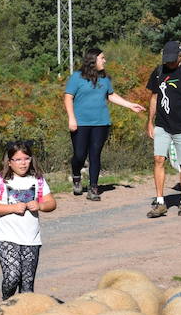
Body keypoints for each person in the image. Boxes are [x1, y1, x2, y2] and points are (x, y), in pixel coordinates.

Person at [62, 47, 146, 201]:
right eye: (102, 58)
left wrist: (130, 105)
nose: (105, 60)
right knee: (79, 155)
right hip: (80, 123)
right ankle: (76, 176)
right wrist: (71, 118)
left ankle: (93, 188)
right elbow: (68, 97)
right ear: (93, 60)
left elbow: (111, 95)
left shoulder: (105, 78)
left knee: (95, 154)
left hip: (101, 123)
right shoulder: (77, 77)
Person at [0, 141, 56, 300]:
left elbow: (51, 203)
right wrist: (12, 208)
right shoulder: (0, 179)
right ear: (9, 162)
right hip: (6, 236)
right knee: (12, 277)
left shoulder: (38, 179)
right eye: (17, 159)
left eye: (26, 158)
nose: (23, 163)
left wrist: (40, 205)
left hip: (31, 238)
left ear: (31, 159)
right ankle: (6, 304)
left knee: (27, 287)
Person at [145, 41, 181, 217]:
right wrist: (150, 121)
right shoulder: (159, 71)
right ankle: (160, 201)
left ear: (179, 57)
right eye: (167, 59)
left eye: (172, 59)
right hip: (163, 125)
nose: (169, 63)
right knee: (158, 159)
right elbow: (154, 98)